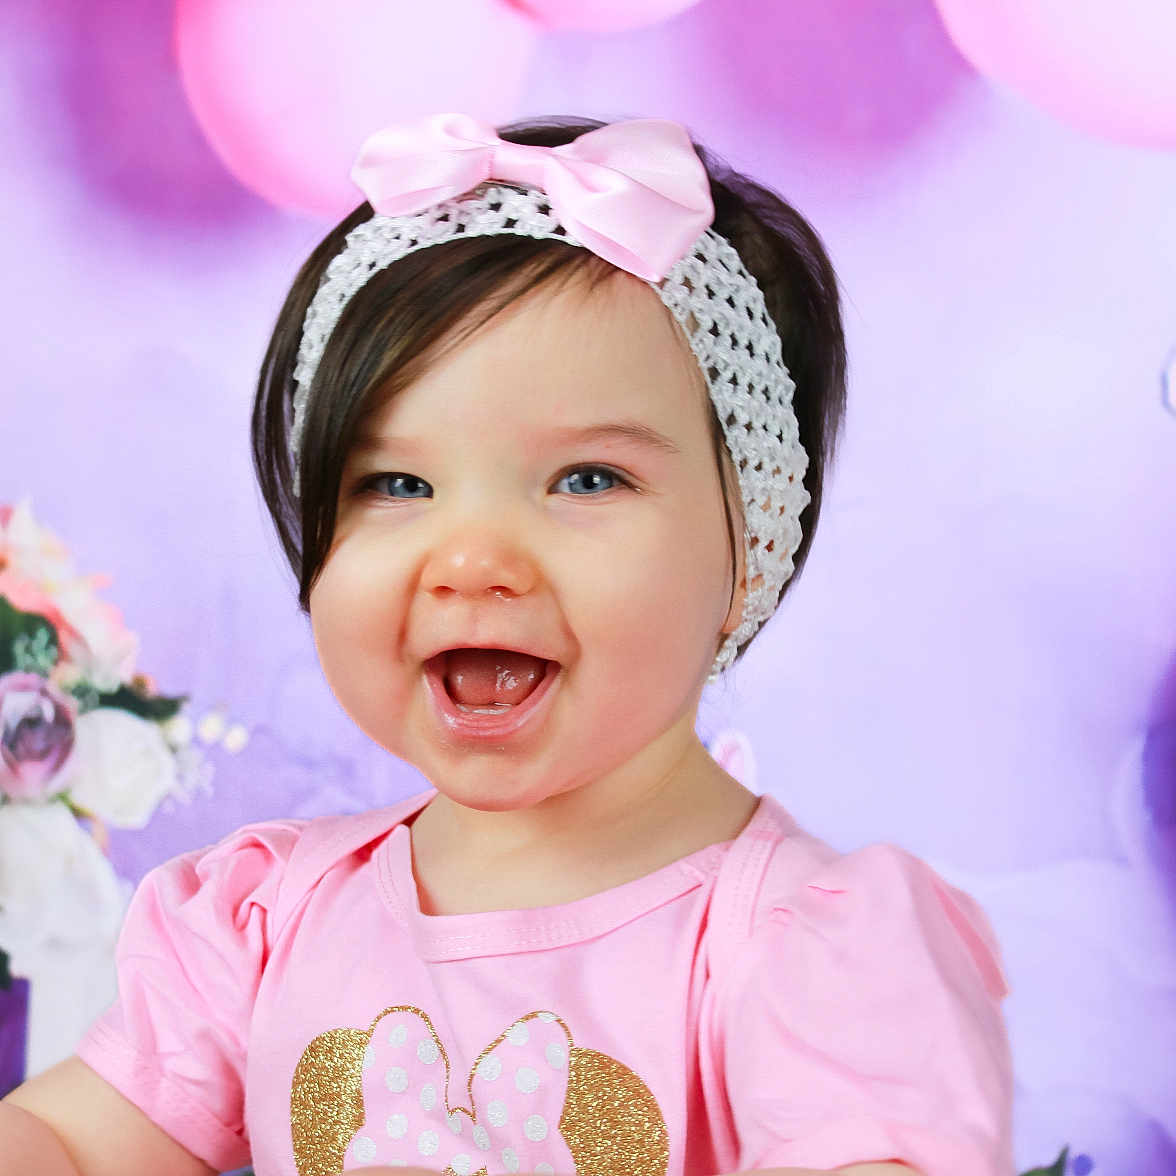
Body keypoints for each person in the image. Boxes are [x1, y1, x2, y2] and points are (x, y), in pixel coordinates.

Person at [0, 113, 1014, 1176]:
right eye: (396, 485)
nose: (471, 558)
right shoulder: (268, 926)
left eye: (585, 480)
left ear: (748, 552)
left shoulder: (802, 954)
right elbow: (69, 1140)